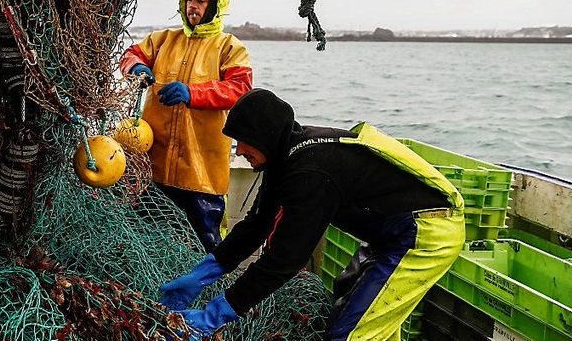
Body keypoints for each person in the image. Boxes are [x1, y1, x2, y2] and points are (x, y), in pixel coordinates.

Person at [159, 89, 466, 340]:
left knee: (349, 333)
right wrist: (203, 273)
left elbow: (283, 262)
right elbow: (257, 225)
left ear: (265, 136)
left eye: (243, 142)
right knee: (353, 304)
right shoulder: (286, 156)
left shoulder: (310, 172)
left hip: (425, 231)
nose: (238, 151)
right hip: (388, 232)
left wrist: (216, 314)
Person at [119, 0, 253, 251]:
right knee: (143, 241)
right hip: (152, 167)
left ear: (215, 6)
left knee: (204, 243)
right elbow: (130, 55)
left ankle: (207, 289)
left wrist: (193, 94)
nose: (193, 6)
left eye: (201, 1)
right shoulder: (162, 39)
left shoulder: (230, 47)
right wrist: (137, 67)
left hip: (201, 171)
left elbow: (240, 88)